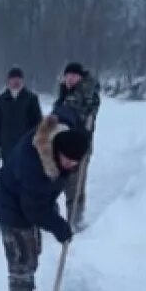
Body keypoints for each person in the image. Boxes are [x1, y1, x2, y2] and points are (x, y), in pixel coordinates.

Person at [0, 106, 91, 291]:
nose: (71, 165)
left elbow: (66, 111)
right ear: (56, 149)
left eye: (76, 162)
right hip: (12, 207)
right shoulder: (34, 165)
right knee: (21, 256)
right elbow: (34, 210)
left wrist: (82, 125)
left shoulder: (59, 130)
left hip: (30, 199)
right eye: (67, 160)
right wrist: (59, 227)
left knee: (34, 248)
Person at [53, 61, 101, 229]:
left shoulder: (85, 92)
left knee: (74, 185)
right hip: (62, 144)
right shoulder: (67, 92)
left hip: (77, 146)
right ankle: (65, 217)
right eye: (68, 75)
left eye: (74, 76)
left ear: (80, 77)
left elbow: (75, 114)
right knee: (62, 183)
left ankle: (75, 221)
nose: (70, 79)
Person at [0, 66, 43, 164]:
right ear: (8, 81)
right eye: (13, 79)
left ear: (22, 80)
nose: (16, 81)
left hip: (26, 146)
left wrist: (39, 146)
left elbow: (39, 124)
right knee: (9, 175)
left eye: (18, 79)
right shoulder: (0, 100)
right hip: (7, 147)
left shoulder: (31, 99)